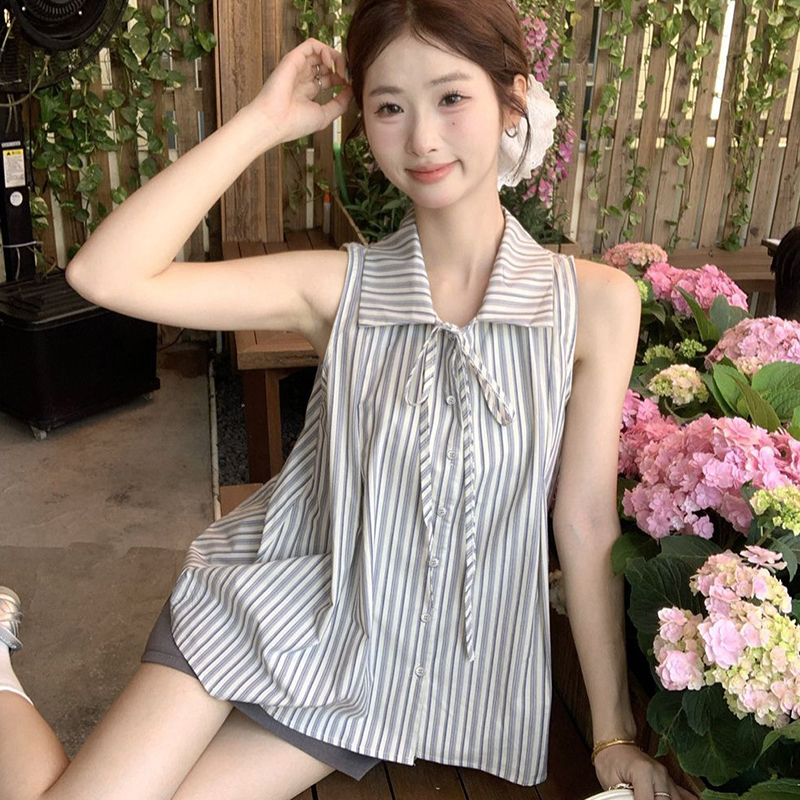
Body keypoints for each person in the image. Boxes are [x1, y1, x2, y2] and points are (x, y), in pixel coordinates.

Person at [0, 1, 701, 798]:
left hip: (375, 676)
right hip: (270, 603)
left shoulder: (594, 303)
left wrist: (614, 735)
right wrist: (264, 122)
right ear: (362, 122)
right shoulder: (341, 287)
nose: (423, 139)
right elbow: (103, 274)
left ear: (512, 99)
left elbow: (584, 523)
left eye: (451, 97)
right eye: (389, 107)